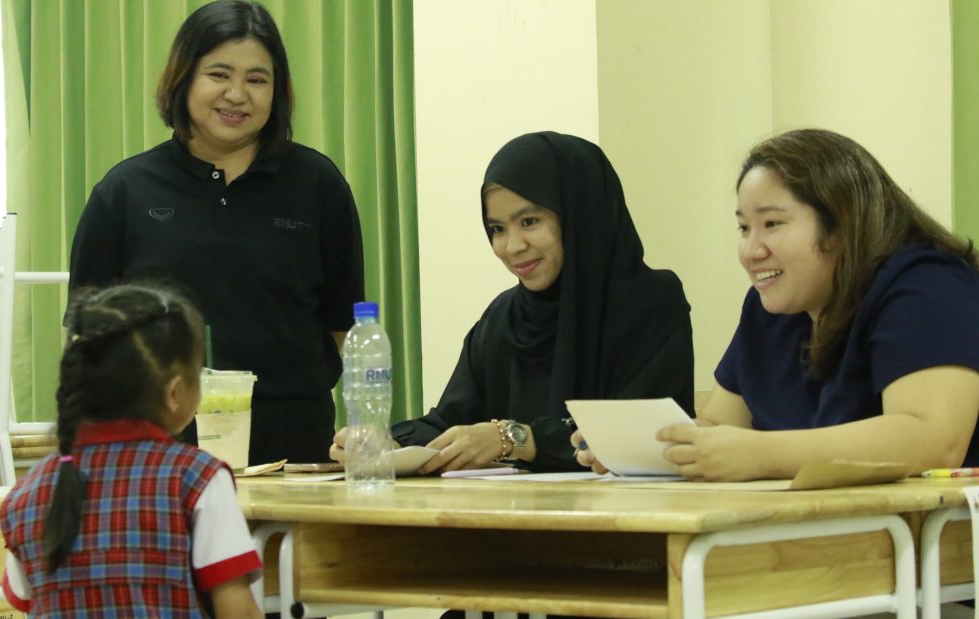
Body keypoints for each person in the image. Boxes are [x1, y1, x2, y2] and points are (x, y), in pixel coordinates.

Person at [575, 128, 979, 480]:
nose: (751, 251)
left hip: (929, 538)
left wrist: (762, 454)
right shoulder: (770, 308)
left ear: (842, 223)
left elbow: (932, 438)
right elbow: (717, 425)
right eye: (743, 228)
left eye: (771, 224)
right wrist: (643, 450)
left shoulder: (927, 284)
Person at [68, 0, 365, 464]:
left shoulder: (317, 184)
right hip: (160, 446)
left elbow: (343, 326)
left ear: (277, 91)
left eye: (257, 79)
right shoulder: (125, 191)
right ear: (183, 78)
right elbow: (89, 339)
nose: (237, 94)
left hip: (296, 444)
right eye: (219, 74)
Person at [332, 131, 694, 473]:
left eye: (529, 221)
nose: (512, 247)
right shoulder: (504, 318)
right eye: (498, 229)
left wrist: (516, 438)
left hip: (627, 515)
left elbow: (645, 436)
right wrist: (389, 442)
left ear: (580, 215)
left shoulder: (650, 302)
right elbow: (450, 422)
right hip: (513, 514)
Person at [0, 284, 263, 618]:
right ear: (175, 392)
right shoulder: (198, 478)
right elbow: (238, 613)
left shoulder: (26, 493)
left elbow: (25, 601)